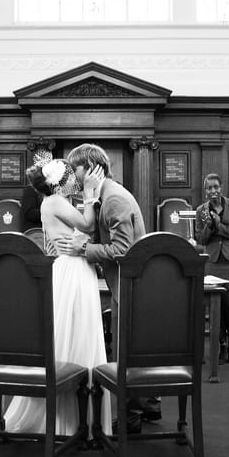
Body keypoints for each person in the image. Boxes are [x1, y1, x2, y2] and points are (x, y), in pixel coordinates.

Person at [3, 157, 112, 436]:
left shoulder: (55, 202)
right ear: (60, 182)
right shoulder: (54, 202)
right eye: (71, 179)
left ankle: (81, 416)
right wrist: (90, 192)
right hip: (72, 270)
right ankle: (74, 419)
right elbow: (87, 225)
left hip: (74, 268)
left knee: (77, 333)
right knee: (71, 334)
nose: (76, 181)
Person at [55, 143, 157, 433]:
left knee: (127, 351)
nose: (72, 179)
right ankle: (147, 406)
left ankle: (131, 419)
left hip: (131, 286)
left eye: (75, 170)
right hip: (126, 285)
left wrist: (84, 247)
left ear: (90, 169)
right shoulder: (106, 195)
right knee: (133, 349)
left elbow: (123, 251)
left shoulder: (113, 199)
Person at [195, 172, 229, 364]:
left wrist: (219, 225)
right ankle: (221, 345)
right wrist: (209, 225)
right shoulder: (201, 210)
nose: (213, 191)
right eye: (209, 188)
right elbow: (201, 239)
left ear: (221, 187)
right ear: (205, 190)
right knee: (216, 305)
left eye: (216, 187)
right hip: (213, 262)